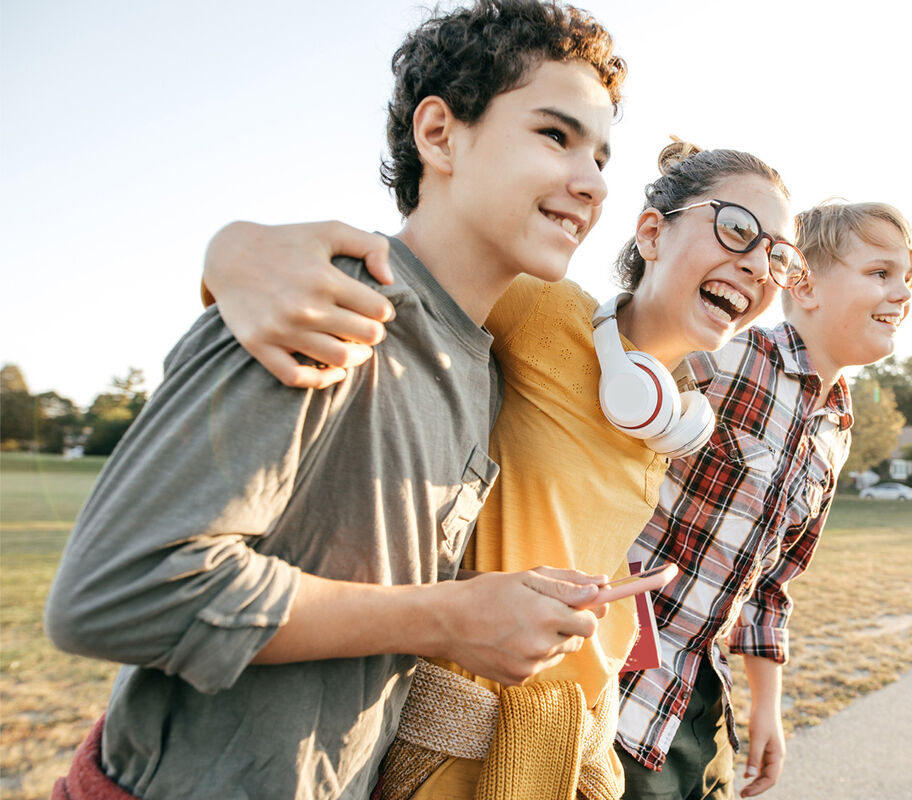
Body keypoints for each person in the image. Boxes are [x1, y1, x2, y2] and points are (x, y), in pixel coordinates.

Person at [43, 2, 627, 798]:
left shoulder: (485, 367)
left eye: (601, 154)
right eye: (555, 136)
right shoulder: (323, 305)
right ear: (439, 133)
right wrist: (449, 616)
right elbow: (112, 592)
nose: (591, 182)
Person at [200, 141, 801, 800]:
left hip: (573, 751)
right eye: (737, 229)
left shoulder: (674, 414)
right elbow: (397, 262)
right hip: (455, 750)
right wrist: (233, 251)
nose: (755, 265)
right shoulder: (547, 311)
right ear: (653, 232)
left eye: (776, 254)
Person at [616, 200, 912, 799]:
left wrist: (767, 710)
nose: (902, 293)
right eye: (881, 273)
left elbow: (772, 586)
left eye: (908, 279)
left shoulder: (836, 431)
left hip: (704, 704)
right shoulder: (724, 358)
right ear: (802, 282)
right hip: (622, 692)